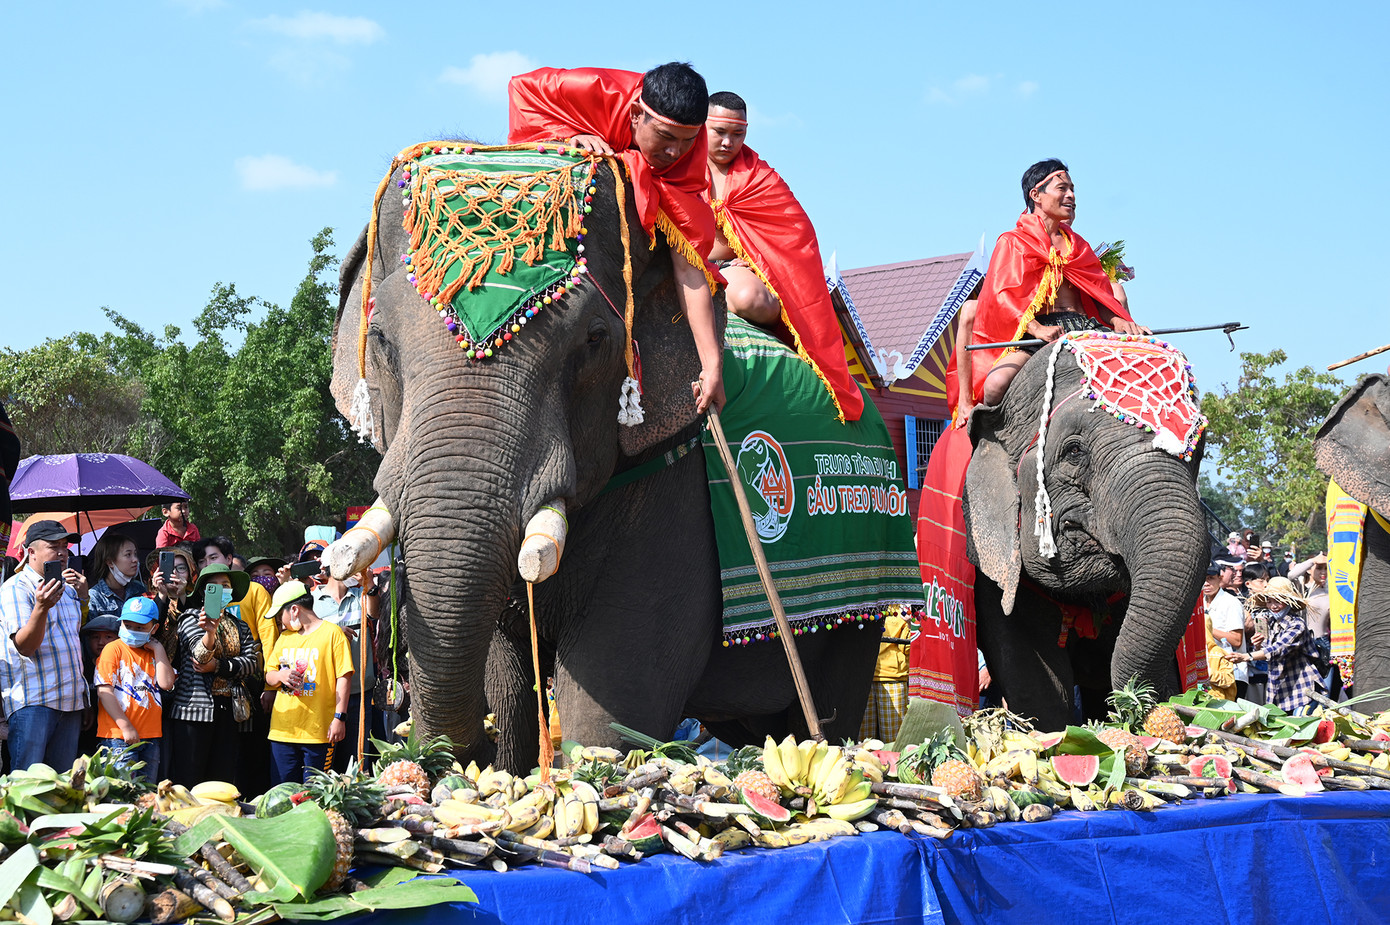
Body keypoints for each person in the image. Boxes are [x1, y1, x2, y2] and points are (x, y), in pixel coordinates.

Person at [508, 62, 725, 413]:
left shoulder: (688, 156)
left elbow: (688, 267)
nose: (675, 153)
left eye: (687, 141)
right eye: (666, 137)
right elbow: (522, 89)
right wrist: (565, 133)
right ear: (637, 113)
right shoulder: (593, 88)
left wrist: (712, 366)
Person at [700, 90, 863, 421]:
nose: (728, 143)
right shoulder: (676, 159)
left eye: (738, 134)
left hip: (728, 271)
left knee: (753, 300)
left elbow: (796, 235)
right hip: (678, 262)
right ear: (702, 126)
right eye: (720, 132)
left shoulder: (760, 177)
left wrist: (760, 262)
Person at [949, 159, 1148, 417]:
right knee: (995, 387)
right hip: (1038, 331)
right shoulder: (1012, 242)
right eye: (1062, 189)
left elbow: (1097, 292)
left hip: (1085, 326)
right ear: (1036, 195)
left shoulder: (1079, 245)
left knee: (1141, 368)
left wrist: (1117, 320)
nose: (1071, 196)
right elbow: (1000, 297)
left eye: (1073, 189)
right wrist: (1037, 328)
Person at [0, 520, 89, 771]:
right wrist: (41, 608)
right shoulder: (15, 589)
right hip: (34, 702)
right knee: (28, 787)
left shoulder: (68, 590)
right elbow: (25, 647)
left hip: (70, 702)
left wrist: (84, 698)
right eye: (54, 546)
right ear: (31, 552)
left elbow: (73, 640)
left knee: (61, 789)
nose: (62, 552)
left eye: (65, 546)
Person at [166, 564, 261, 786]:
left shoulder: (240, 626)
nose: (220, 590)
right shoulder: (190, 617)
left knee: (221, 781)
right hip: (193, 711)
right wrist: (210, 632)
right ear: (203, 592)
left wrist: (219, 666)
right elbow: (199, 658)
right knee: (189, 778)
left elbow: (251, 664)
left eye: (225, 586)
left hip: (228, 710)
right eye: (214, 586)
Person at [264, 581, 352, 784]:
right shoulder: (284, 637)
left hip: (319, 732)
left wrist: (340, 717)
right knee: (282, 792)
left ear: (294, 610)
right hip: (282, 731)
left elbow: (344, 677)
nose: (280, 622)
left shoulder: (333, 634)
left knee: (315, 793)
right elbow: (269, 674)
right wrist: (280, 677)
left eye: (281, 616)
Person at [93, 597, 175, 782]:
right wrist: (126, 727)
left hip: (151, 736)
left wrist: (159, 648)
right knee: (122, 794)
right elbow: (104, 692)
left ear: (153, 629)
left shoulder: (152, 652)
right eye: (128, 625)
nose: (132, 631)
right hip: (118, 736)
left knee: (146, 794)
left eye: (140, 628)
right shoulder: (112, 649)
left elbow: (166, 683)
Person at [313, 569, 381, 771]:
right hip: (324, 693)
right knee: (326, 761)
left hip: (360, 690)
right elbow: (304, 636)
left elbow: (374, 613)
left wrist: (369, 583)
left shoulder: (361, 595)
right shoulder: (313, 599)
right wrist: (332, 632)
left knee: (357, 760)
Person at [1229, 577, 1323, 714]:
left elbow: (1277, 649)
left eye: (1278, 601)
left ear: (1288, 601)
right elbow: (1266, 654)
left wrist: (1246, 656)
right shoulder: (1270, 623)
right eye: (1269, 601)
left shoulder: (1297, 624)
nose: (1273, 606)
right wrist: (1257, 646)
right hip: (1278, 688)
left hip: (1301, 687)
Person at [1204, 563, 1248, 699]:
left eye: (1210, 578)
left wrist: (1206, 627)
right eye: (1203, 579)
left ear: (1220, 577)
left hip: (1232, 673)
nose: (1206, 583)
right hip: (1209, 672)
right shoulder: (1199, 602)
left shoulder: (1231, 603)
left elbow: (1236, 640)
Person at [86, 532, 147, 619]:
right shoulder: (94, 597)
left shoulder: (139, 590)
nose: (135, 560)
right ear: (110, 562)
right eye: (128, 555)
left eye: (135, 554)